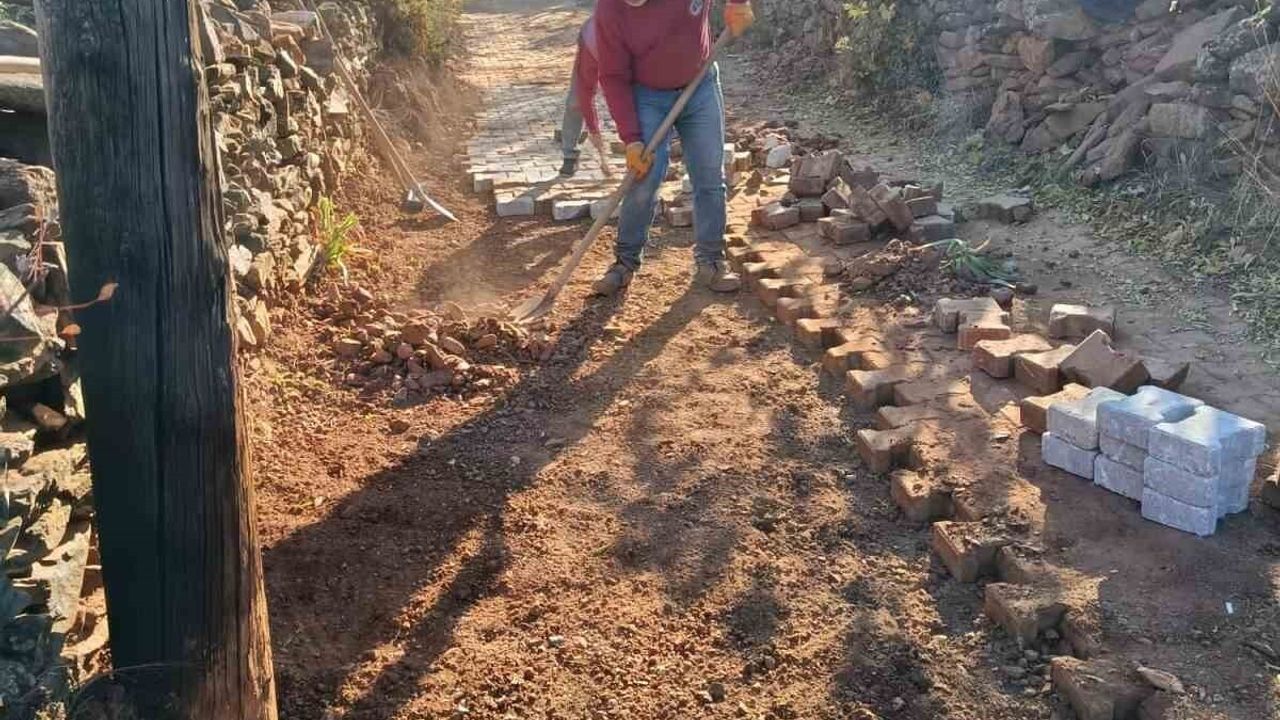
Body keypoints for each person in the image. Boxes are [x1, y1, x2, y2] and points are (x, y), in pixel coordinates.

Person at [591, 0, 755, 296]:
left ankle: (711, 261)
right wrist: (632, 138)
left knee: (709, 176)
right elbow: (613, 76)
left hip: (700, 84)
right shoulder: (610, 9)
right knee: (644, 177)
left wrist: (738, 4)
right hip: (647, 94)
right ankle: (624, 263)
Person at [559, 16, 612, 178]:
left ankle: (646, 151)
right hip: (591, 39)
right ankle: (570, 155)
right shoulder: (592, 43)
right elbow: (585, 93)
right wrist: (594, 129)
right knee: (576, 101)